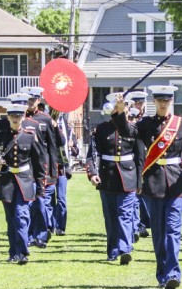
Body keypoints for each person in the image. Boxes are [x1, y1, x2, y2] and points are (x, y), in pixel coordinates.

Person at [135, 85, 182, 289]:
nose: (163, 104)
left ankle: (173, 274)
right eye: (159, 100)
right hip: (153, 183)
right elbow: (127, 132)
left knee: (173, 230)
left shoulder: (181, 124)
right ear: (154, 101)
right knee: (158, 233)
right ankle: (162, 274)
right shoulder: (146, 124)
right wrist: (120, 112)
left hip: (175, 184)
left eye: (166, 100)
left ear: (171, 101)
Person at [0, 103, 46, 264]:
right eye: (12, 116)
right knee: (11, 219)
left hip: (25, 180)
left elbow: (39, 162)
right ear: (8, 117)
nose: (15, 119)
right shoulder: (0, 136)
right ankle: (13, 252)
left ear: (23, 117)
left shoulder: (29, 135)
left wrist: (40, 185)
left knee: (22, 215)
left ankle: (23, 251)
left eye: (18, 116)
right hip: (7, 181)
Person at [85, 93, 140, 265]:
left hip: (128, 176)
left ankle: (125, 249)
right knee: (111, 217)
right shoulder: (101, 129)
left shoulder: (133, 129)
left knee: (125, 214)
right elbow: (93, 154)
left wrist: (140, 182)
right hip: (107, 177)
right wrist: (93, 173)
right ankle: (113, 250)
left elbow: (139, 157)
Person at [20, 86, 61, 248]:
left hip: (41, 167)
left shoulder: (45, 119)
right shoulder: (19, 118)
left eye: (33, 99)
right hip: (24, 166)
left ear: (39, 100)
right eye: (28, 99)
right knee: (26, 203)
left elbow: (52, 146)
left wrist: (52, 170)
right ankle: (29, 235)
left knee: (40, 203)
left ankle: (41, 235)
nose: (31, 103)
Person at [126, 90, 151, 238]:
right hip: (134, 161)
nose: (139, 105)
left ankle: (146, 221)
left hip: (148, 160)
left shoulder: (147, 121)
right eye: (137, 102)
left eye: (141, 102)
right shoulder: (130, 119)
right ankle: (137, 224)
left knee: (147, 193)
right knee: (135, 195)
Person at [52, 114, 77, 236]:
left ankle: (60, 227)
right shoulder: (47, 126)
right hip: (50, 167)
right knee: (49, 199)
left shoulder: (68, 129)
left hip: (62, 168)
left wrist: (72, 147)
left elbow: (76, 151)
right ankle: (50, 226)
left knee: (61, 199)